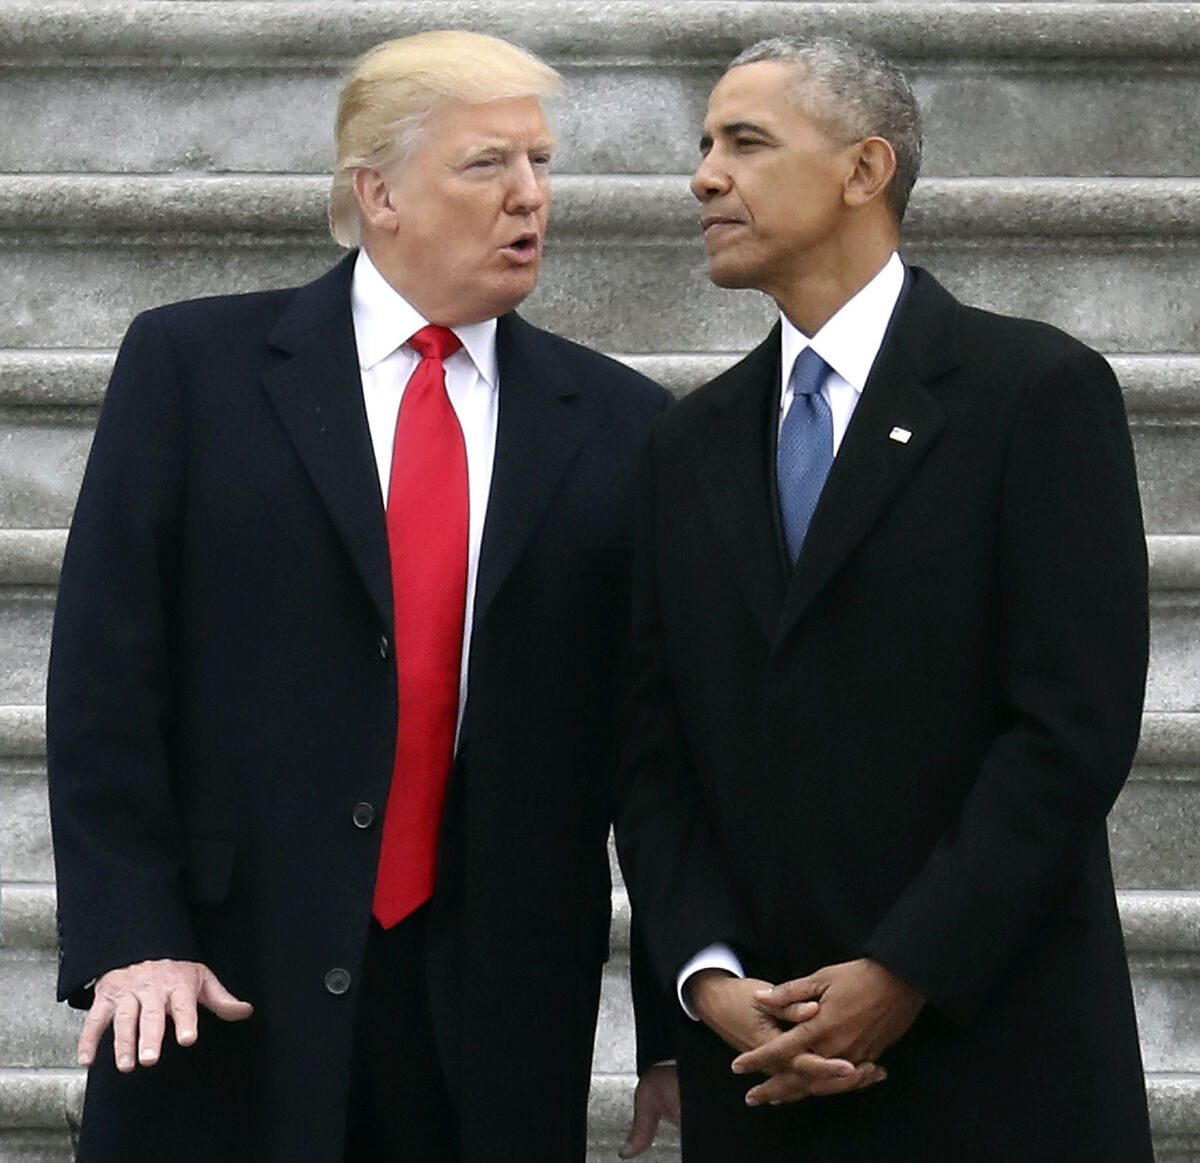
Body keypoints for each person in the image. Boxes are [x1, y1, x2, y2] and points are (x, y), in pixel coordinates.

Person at [47, 30, 678, 1163]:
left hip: (493, 1015)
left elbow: (657, 735)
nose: (530, 196)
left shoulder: (625, 423)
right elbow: (105, 671)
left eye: (541, 163)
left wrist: (680, 1008)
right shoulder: (194, 368)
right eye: (487, 165)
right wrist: (131, 933)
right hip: (219, 980)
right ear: (376, 192)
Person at [616, 34, 1154, 1162]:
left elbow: (1069, 729)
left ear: (865, 171)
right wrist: (706, 976)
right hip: (761, 1074)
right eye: (705, 144)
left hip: (992, 1058)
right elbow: (653, 746)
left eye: (745, 142)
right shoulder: (687, 443)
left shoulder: (1034, 394)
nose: (704, 175)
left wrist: (904, 968)